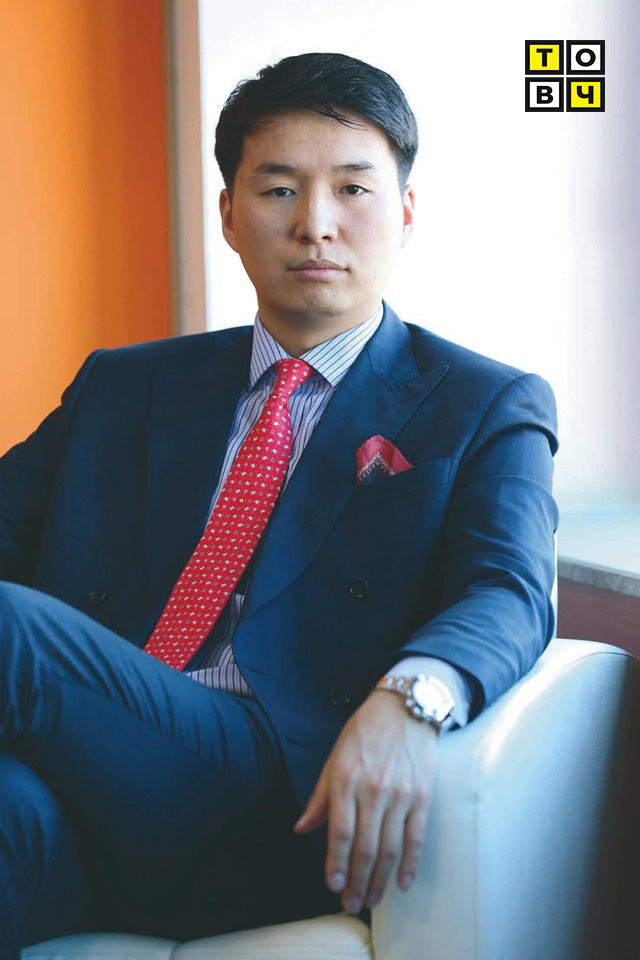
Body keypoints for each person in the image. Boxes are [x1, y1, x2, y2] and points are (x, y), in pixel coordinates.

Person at [0, 51, 558, 956]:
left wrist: (410, 697)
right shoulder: (126, 385)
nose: (315, 225)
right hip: (89, 782)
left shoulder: (482, 401)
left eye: (352, 189)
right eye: (280, 190)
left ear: (405, 212)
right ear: (228, 213)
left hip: (272, 796)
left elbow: (509, 590)